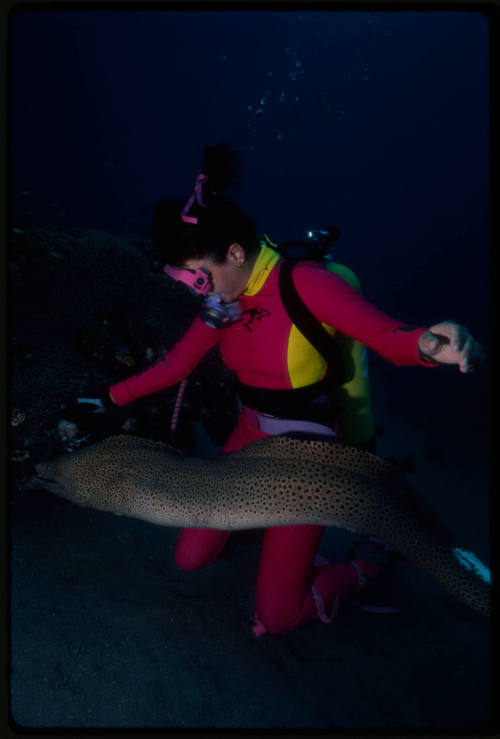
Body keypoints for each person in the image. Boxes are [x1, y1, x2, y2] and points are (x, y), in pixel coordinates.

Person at [108, 142, 485, 635]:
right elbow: (178, 364)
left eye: (198, 278)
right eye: (183, 279)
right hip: (246, 437)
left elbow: (391, 340)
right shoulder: (224, 302)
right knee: (190, 559)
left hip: (308, 455)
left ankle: (370, 562)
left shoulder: (308, 285)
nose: (193, 290)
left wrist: (435, 345)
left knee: (276, 618)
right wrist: (109, 399)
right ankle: (267, 531)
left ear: (237, 253)